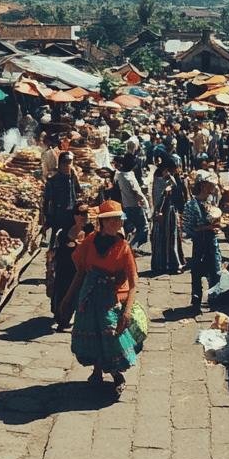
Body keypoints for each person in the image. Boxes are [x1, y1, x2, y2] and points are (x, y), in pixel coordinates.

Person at [60, 201, 143, 396]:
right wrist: (68, 298)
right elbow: (80, 272)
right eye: (113, 220)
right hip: (88, 297)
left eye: (119, 220)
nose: (117, 223)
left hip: (109, 298)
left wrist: (127, 312)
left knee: (111, 335)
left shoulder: (123, 247)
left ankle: (116, 375)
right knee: (92, 333)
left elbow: (133, 283)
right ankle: (96, 372)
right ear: (103, 222)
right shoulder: (89, 242)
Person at [49, 203, 94, 331]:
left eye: (86, 213)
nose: (85, 217)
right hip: (65, 267)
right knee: (63, 291)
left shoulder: (90, 229)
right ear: (75, 216)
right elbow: (60, 249)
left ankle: (71, 316)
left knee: (77, 293)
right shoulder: (65, 231)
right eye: (82, 214)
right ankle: (62, 317)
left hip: (81, 267)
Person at [182, 171, 223, 309]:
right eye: (211, 184)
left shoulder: (211, 201)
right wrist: (208, 227)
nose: (213, 187)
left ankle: (214, 298)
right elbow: (188, 228)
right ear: (204, 186)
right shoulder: (191, 205)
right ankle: (196, 297)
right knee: (197, 270)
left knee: (215, 270)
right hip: (200, 243)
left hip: (212, 241)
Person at [150, 155, 186, 274]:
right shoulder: (162, 180)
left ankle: (166, 263)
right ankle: (172, 264)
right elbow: (162, 196)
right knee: (170, 237)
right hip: (165, 212)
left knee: (168, 237)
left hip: (167, 210)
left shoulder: (161, 177)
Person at [116, 154, 151, 251]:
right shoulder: (128, 178)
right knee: (144, 227)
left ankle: (132, 247)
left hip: (126, 205)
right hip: (135, 205)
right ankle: (132, 247)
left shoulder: (119, 175)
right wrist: (145, 204)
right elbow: (137, 193)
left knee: (131, 227)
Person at [42, 151, 81, 239]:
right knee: (56, 239)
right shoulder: (53, 181)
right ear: (59, 164)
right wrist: (47, 220)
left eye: (69, 162)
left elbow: (78, 190)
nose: (67, 165)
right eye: (64, 163)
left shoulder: (73, 177)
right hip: (58, 214)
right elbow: (47, 201)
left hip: (72, 213)